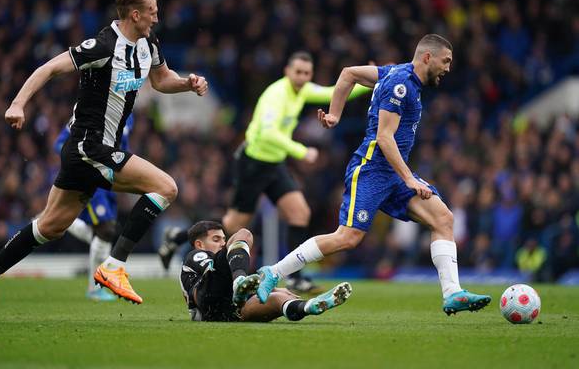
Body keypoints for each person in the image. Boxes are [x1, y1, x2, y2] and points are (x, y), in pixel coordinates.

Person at [0, 0, 208, 324]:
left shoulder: (149, 44)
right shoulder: (102, 46)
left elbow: (162, 80)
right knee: (166, 187)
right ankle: (114, 267)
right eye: (152, 11)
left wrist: (187, 84)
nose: (156, 17)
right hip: (89, 148)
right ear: (135, 14)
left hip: (93, 152)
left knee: (50, 226)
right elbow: (47, 68)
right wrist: (17, 104)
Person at [255, 34, 492, 315]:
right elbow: (384, 137)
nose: (448, 68)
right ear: (428, 57)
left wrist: (335, 115)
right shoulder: (401, 84)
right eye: (446, 61)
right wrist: (409, 179)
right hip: (371, 170)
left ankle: (452, 293)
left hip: (393, 172)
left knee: (443, 219)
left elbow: (349, 74)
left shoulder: (395, 73)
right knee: (347, 237)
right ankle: (273, 271)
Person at [222, 51, 370, 293]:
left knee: (299, 213)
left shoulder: (302, 90)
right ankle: (181, 239)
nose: (302, 77)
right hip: (253, 163)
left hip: (275, 164)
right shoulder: (276, 95)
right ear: (287, 72)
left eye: (306, 73)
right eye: (298, 72)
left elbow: (333, 91)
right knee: (234, 223)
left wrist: (369, 82)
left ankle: (294, 277)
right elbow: (268, 133)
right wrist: (302, 151)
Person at [180, 221, 352, 322]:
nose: (223, 244)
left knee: (278, 299)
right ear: (199, 244)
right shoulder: (195, 256)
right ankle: (238, 280)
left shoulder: (223, 264)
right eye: (216, 239)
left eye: (224, 239)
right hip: (209, 298)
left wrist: (275, 290)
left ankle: (308, 306)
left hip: (223, 312)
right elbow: (211, 278)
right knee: (244, 234)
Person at [54, 114, 134, 301]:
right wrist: (83, 163)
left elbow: (123, 148)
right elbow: (59, 144)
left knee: (104, 233)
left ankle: (52, 220)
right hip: (91, 178)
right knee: (105, 230)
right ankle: (96, 287)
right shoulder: (91, 107)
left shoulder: (128, 114)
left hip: (110, 182)